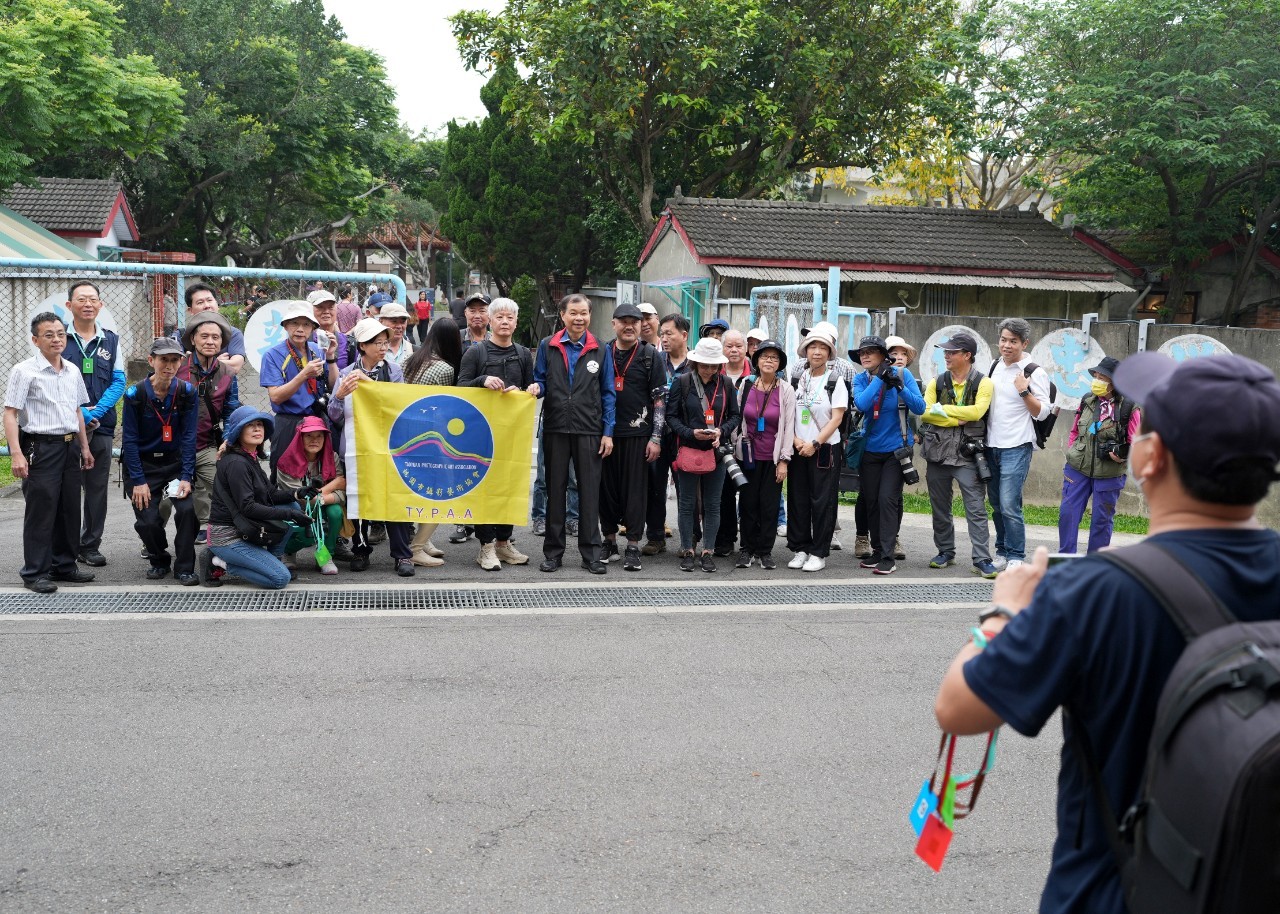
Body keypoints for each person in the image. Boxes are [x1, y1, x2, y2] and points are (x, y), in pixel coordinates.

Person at [934, 351, 1280, 914]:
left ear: (1149, 457)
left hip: (1113, 892)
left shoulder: (1098, 593)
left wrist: (1004, 613)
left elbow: (958, 708)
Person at [3, 312, 96, 593]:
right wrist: (16, 454)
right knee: (41, 511)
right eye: (48, 334)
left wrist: (84, 446)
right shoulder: (24, 371)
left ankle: (64, 565)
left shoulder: (72, 370)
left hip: (69, 446)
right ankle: (34, 572)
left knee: (69, 508)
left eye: (60, 333)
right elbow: (10, 414)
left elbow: (77, 410)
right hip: (40, 447)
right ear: (35, 339)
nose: (56, 339)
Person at [533, 292, 615, 574]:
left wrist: (608, 431)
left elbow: (607, 394)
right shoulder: (548, 345)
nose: (579, 318)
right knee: (555, 491)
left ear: (590, 316)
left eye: (584, 313)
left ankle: (591, 554)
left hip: (589, 429)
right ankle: (553, 553)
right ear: (563, 315)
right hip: (556, 427)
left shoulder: (601, 348)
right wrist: (536, 389)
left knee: (589, 493)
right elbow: (541, 380)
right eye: (574, 313)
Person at [457, 297, 538, 571]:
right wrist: (483, 381)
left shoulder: (524, 353)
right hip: (480, 436)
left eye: (510, 317)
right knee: (486, 490)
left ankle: (504, 543)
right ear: (490, 321)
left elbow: (530, 386)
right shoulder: (475, 353)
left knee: (510, 487)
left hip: (513, 435)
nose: (505, 321)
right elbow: (461, 388)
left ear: (516, 322)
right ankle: (486, 546)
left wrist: (534, 390)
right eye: (499, 317)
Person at [329, 318, 414, 575]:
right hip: (356, 448)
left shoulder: (393, 371)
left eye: (385, 342)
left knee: (394, 499)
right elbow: (334, 415)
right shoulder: (346, 375)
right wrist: (340, 395)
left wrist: (372, 388)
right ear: (362, 346)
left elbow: (401, 406)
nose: (383, 347)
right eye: (377, 342)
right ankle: (360, 550)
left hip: (390, 447)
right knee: (359, 500)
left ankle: (402, 556)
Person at [201, 406, 313, 589]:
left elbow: (271, 494)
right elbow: (248, 507)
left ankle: (271, 560)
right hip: (227, 537)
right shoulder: (237, 463)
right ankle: (218, 562)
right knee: (280, 579)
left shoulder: (249, 458)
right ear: (238, 432)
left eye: (260, 424)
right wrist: (289, 516)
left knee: (292, 505)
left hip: (245, 527)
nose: (257, 429)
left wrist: (297, 493)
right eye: (250, 425)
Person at [919, 331, 998, 579]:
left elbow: (977, 412)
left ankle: (982, 558)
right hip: (938, 453)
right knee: (939, 506)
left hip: (968, 455)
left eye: (952, 352)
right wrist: (957, 415)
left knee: (975, 508)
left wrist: (942, 412)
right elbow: (924, 412)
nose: (947, 355)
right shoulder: (937, 381)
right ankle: (945, 551)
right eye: (946, 351)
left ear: (967, 355)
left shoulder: (984, 383)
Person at [121, 338, 200, 584]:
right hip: (144, 466)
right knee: (147, 522)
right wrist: (138, 481)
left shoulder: (187, 392)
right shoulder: (135, 394)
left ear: (181, 362)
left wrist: (186, 476)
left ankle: (185, 567)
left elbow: (188, 437)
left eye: (174, 360)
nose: (169, 365)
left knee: (187, 512)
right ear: (151, 360)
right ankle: (159, 558)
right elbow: (130, 440)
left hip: (174, 466)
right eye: (163, 359)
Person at [599, 302, 666, 571]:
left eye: (635, 321)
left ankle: (633, 545)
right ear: (613, 324)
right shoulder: (602, 353)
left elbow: (660, 400)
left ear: (641, 325)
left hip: (639, 435)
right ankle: (609, 541)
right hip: (605, 434)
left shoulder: (650, 356)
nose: (629, 326)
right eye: (623, 321)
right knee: (606, 491)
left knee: (635, 493)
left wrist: (656, 437)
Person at [666, 337, 740, 572]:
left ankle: (708, 551)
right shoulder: (683, 382)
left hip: (716, 452)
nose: (709, 369)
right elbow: (671, 416)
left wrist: (721, 430)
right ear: (695, 362)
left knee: (713, 504)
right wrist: (690, 433)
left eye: (713, 365)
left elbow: (735, 416)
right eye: (704, 364)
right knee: (687, 504)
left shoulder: (727, 384)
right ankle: (688, 549)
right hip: (688, 449)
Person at [852, 335, 924, 575]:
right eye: (862, 352)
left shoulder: (903, 376)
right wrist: (880, 379)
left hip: (896, 451)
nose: (865, 356)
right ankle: (876, 550)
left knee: (887, 500)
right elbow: (862, 404)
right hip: (869, 451)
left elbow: (920, 407)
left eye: (871, 352)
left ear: (883, 356)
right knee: (871, 501)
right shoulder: (860, 379)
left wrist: (899, 386)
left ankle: (887, 556)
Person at [65, 281, 124, 568]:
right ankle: (66, 545)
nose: (87, 304)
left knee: (97, 488)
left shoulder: (111, 340)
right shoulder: (57, 338)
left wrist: (94, 411)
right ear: (69, 305)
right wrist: (79, 413)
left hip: (100, 425)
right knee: (66, 487)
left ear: (100, 305)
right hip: (64, 426)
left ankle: (90, 546)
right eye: (81, 299)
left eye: (93, 299)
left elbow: (119, 381)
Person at [986, 317, 1053, 570]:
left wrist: (1025, 391)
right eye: (1003, 340)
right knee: (995, 504)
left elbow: (1043, 412)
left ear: (1024, 343)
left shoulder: (1034, 371)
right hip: (991, 445)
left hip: (1018, 444)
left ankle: (1016, 555)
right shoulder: (994, 366)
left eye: (1013, 341)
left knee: (1009, 503)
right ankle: (1001, 551)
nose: (1006, 345)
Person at [1059, 356, 1141, 554]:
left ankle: (1095, 566)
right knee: (1068, 514)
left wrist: (1123, 456)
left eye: (1102, 377)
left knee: (1101, 521)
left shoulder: (1129, 407)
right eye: (1095, 375)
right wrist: (1073, 451)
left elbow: (1138, 443)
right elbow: (1074, 431)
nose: (1097, 380)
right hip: (1078, 468)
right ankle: (1065, 561)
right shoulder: (1088, 400)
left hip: (1110, 473)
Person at [786, 325, 850, 572]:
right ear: (806, 351)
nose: (817, 352)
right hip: (798, 447)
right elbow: (788, 414)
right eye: (813, 346)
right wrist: (795, 440)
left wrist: (815, 443)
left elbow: (837, 419)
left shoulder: (835, 380)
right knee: (798, 499)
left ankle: (818, 551)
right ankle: (800, 548)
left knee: (822, 500)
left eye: (823, 347)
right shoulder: (796, 380)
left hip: (824, 449)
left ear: (829, 353)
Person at [403, 316, 464, 567]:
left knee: (418, 491)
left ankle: (423, 539)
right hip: (433, 439)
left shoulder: (412, 360)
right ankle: (417, 547)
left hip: (408, 436)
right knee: (440, 493)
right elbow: (449, 408)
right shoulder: (446, 369)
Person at [177, 312, 241, 542]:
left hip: (206, 445)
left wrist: (226, 441)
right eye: (204, 336)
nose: (210, 341)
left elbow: (231, 411)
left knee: (223, 488)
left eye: (215, 337)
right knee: (164, 498)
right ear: (192, 339)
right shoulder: (177, 366)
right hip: (174, 446)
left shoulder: (228, 374)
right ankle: (153, 540)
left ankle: (218, 533)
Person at [259, 300, 338, 479]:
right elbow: (276, 396)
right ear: (285, 326)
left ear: (313, 328)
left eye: (306, 324)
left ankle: (316, 505)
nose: (300, 329)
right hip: (289, 421)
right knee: (282, 470)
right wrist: (304, 375)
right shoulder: (273, 355)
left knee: (318, 472)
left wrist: (331, 356)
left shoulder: (318, 350)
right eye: (294, 323)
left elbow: (333, 386)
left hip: (316, 420)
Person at [736, 339, 795, 570]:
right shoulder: (746, 386)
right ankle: (746, 549)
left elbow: (789, 425)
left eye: (774, 357)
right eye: (764, 356)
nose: (769, 360)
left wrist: (784, 460)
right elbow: (739, 417)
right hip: (748, 455)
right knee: (748, 504)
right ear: (756, 360)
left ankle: (765, 551)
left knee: (769, 506)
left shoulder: (786, 390)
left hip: (772, 457)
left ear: (780, 363)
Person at [642, 312, 692, 556]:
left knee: (686, 489)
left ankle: (689, 540)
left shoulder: (696, 363)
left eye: (669, 333)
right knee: (655, 485)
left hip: (685, 435)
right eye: (662, 334)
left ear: (684, 335)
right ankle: (655, 537)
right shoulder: (655, 360)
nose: (664, 338)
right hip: (658, 433)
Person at [275, 416, 345, 576]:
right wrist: (334, 485)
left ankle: (326, 556)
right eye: (309, 435)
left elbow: (342, 494)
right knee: (305, 534)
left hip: (322, 504)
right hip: (296, 509)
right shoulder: (286, 461)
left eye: (319, 435)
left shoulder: (331, 457)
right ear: (300, 437)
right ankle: (289, 551)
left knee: (335, 513)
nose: (315, 440)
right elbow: (300, 498)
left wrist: (321, 497)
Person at [713, 329, 751, 557]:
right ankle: (725, 539)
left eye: (739, 346)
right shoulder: (714, 372)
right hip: (722, 443)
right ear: (722, 348)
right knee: (723, 493)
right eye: (729, 346)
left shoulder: (756, 374)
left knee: (748, 493)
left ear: (746, 349)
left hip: (750, 444)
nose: (734, 350)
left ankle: (748, 542)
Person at [883, 334, 919, 562]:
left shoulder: (908, 377)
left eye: (903, 353)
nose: (898, 357)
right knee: (872, 496)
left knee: (894, 496)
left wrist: (901, 386)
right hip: (876, 444)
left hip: (902, 444)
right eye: (893, 353)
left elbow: (919, 406)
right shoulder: (875, 376)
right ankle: (867, 537)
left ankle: (893, 537)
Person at [175, 282, 246, 374]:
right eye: (200, 302)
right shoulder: (180, 335)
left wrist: (191, 360)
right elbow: (173, 365)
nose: (207, 306)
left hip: (223, 387)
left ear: (217, 304)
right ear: (190, 310)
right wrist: (216, 363)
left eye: (209, 300)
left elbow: (235, 367)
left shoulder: (234, 333)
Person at [307, 289, 354, 372]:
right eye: (320, 307)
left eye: (330, 307)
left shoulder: (349, 343)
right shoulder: (303, 340)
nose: (326, 311)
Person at [378, 301, 415, 367]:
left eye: (403, 322)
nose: (399, 326)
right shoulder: (370, 350)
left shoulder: (413, 350)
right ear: (381, 321)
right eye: (394, 321)